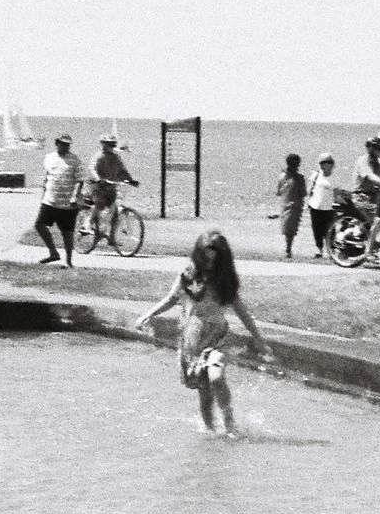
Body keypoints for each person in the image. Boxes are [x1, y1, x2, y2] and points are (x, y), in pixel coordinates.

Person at [136, 229, 269, 434]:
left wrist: (258, 339)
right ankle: (211, 434)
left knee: (216, 377)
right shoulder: (188, 275)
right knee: (205, 394)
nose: (209, 265)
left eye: (214, 260)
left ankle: (230, 422)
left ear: (221, 260)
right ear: (198, 254)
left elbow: (242, 313)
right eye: (205, 259)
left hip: (217, 337)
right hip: (193, 340)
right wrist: (149, 314)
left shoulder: (224, 281)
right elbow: (171, 298)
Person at [35, 134, 86, 267]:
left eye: (68, 144)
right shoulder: (49, 158)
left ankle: (68, 261)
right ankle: (53, 253)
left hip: (68, 203)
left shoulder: (75, 160)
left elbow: (80, 180)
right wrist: (43, 194)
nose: (65, 146)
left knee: (67, 233)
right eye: (63, 144)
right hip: (50, 200)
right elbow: (47, 177)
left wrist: (75, 196)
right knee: (39, 225)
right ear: (57, 143)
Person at [87, 134, 138, 245]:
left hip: (111, 188)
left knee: (115, 214)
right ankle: (87, 226)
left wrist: (131, 180)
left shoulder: (116, 157)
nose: (111, 146)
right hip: (97, 187)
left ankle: (111, 238)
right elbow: (92, 169)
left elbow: (122, 170)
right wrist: (98, 179)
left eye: (113, 144)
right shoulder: (98, 156)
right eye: (109, 144)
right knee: (99, 204)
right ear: (103, 144)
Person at [308, 153, 346, 258]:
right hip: (315, 207)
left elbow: (337, 194)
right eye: (322, 162)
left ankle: (331, 252)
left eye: (328, 162)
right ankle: (319, 250)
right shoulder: (315, 175)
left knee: (330, 231)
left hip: (329, 208)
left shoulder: (335, 178)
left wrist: (345, 204)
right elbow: (310, 190)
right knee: (317, 230)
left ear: (332, 164)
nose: (325, 165)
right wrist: (308, 203)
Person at [274, 153, 309, 259]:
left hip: (290, 205)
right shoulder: (299, 178)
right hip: (294, 205)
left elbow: (279, 192)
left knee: (288, 228)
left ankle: (288, 249)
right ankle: (288, 249)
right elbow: (304, 193)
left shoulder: (283, 177)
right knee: (290, 229)